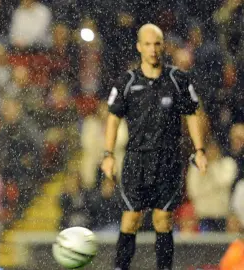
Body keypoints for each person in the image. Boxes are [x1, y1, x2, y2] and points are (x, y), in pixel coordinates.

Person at [101, 24, 208, 270]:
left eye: (157, 43)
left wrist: (199, 150)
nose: (152, 49)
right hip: (136, 160)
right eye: (147, 44)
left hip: (168, 160)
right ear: (139, 47)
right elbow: (113, 117)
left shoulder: (177, 79)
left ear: (163, 46)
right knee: (130, 220)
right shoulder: (127, 81)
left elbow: (192, 114)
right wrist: (108, 155)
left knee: (163, 219)